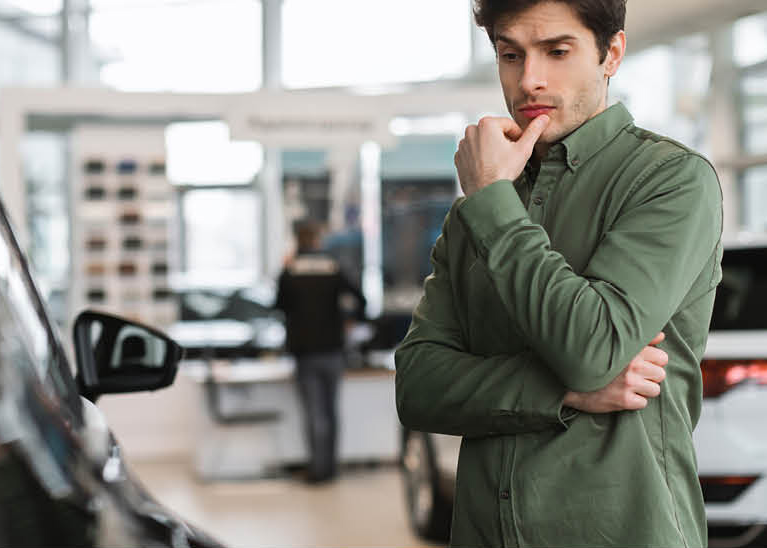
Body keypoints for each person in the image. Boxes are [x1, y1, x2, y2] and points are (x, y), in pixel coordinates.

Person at [394, 0, 723, 546]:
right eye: (510, 55)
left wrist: (493, 201)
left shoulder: (671, 180)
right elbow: (418, 386)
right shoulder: (477, 208)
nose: (530, 80)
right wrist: (564, 393)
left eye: (558, 51)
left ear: (611, 53)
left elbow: (592, 349)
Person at [275, 220, 367, 484]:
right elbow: (361, 299)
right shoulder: (333, 267)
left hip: (305, 352)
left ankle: (318, 470)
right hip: (333, 349)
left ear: (297, 241)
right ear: (317, 239)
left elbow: (279, 306)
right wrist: (349, 318)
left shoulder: (290, 271)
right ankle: (332, 468)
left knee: (314, 412)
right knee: (331, 410)